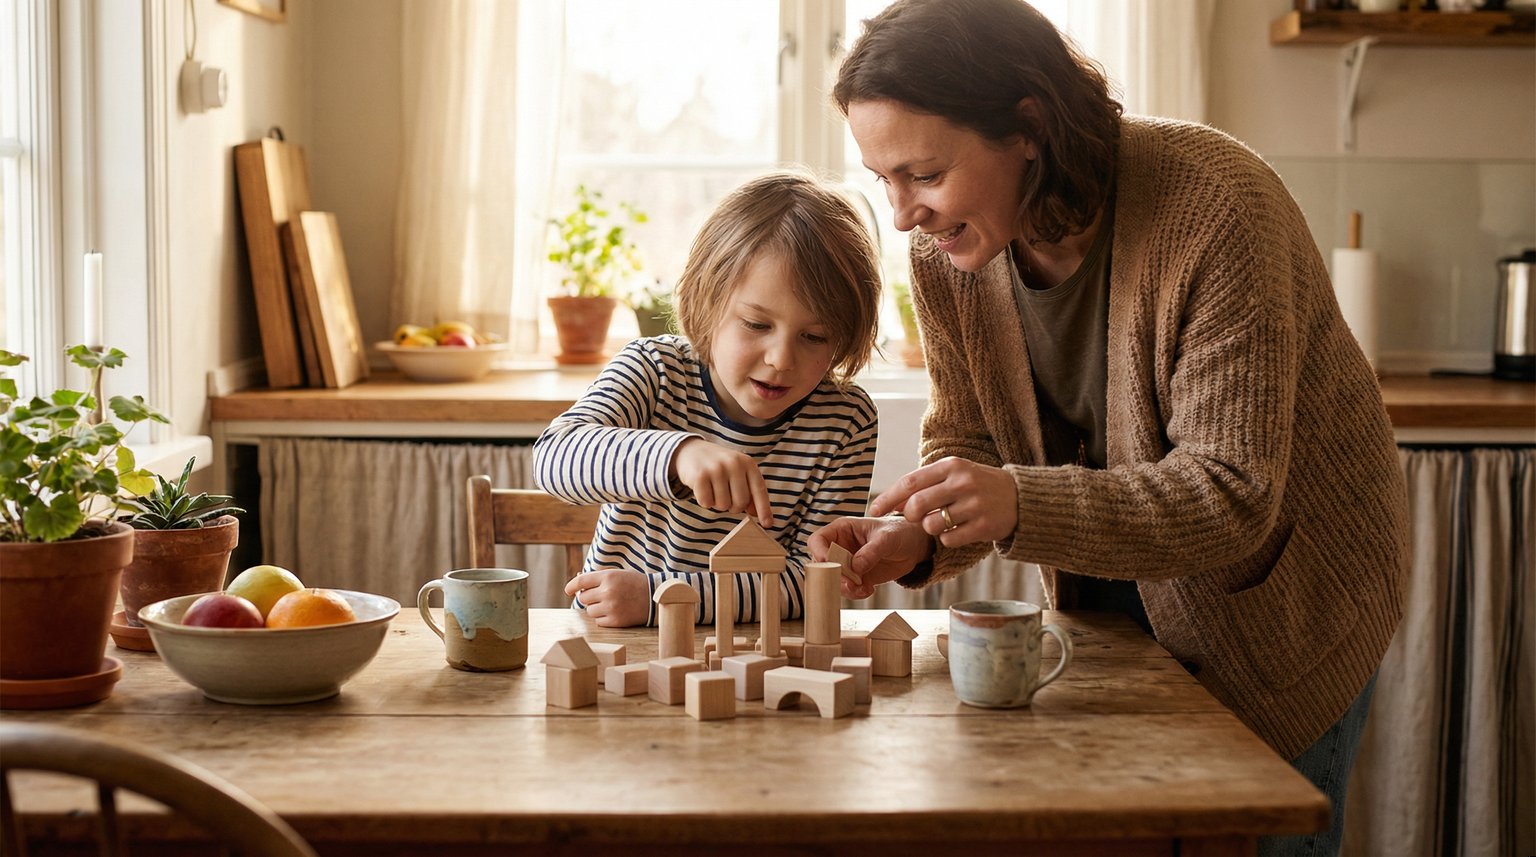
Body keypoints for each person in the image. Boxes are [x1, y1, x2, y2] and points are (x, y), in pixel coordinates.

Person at [810, 2, 1408, 855]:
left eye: (924, 173)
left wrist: (1015, 501)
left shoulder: (1217, 205)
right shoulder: (950, 255)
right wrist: (917, 535)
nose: (903, 213)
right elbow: (970, 439)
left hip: (1288, 603)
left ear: (1028, 127)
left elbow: (1229, 492)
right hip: (1118, 602)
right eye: (883, 180)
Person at [535, 171, 882, 629]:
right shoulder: (654, 369)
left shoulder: (846, 421)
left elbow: (816, 582)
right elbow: (554, 460)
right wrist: (679, 454)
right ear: (707, 297)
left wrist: (663, 599)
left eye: (814, 336)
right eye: (757, 325)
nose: (781, 359)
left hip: (752, 653)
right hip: (618, 640)